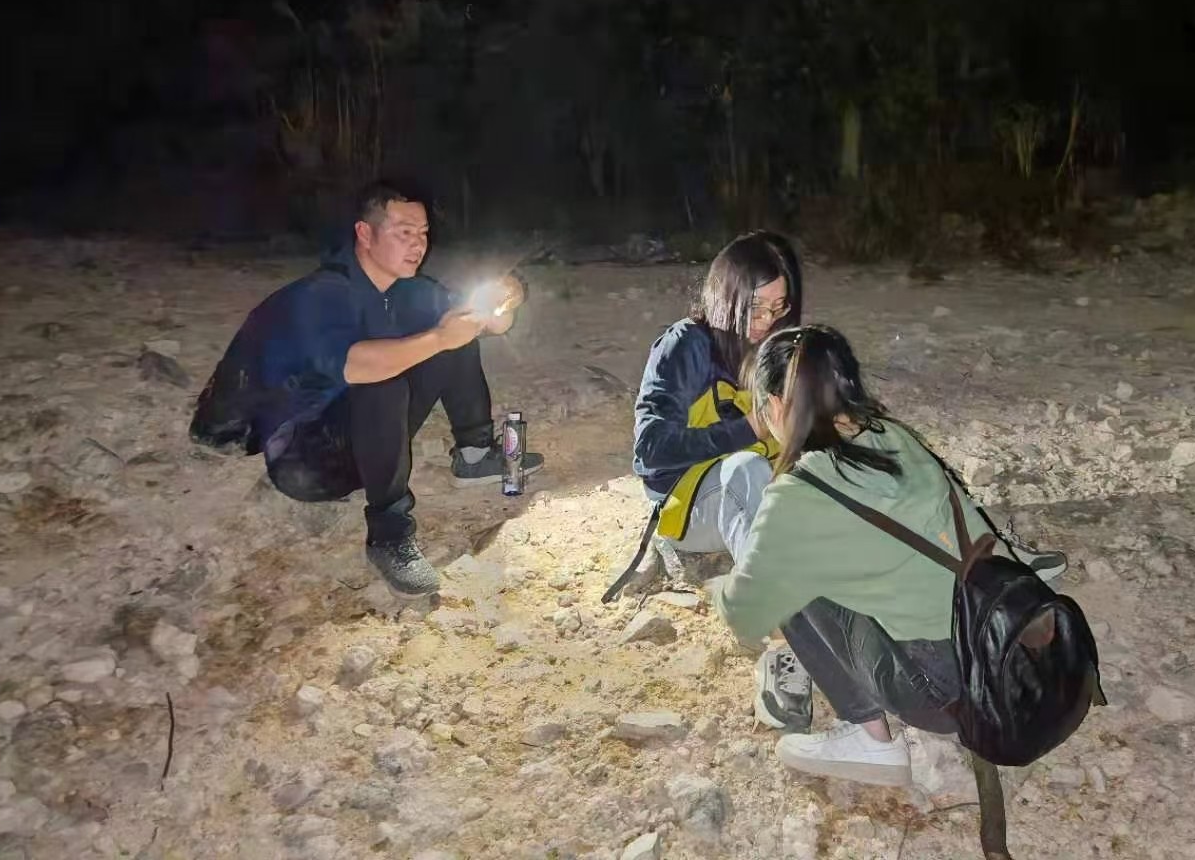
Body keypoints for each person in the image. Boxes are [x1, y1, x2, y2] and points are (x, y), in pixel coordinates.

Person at [711, 324, 1046, 786]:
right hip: (1010, 645)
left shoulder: (799, 494)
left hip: (946, 693)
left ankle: (871, 739)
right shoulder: (892, 435)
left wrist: (723, 585)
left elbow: (744, 614)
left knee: (790, 577)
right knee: (816, 561)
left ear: (775, 405)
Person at [189, 179, 543, 595]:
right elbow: (356, 365)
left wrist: (507, 298)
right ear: (365, 233)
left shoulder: (413, 290)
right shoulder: (322, 294)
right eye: (403, 232)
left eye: (423, 233)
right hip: (306, 461)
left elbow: (491, 325)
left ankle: (475, 453)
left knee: (455, 332)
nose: (418, 244)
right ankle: (390, 535)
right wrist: (438, 338)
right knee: (387, 374)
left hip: (368, 440)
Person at [614, 230, 814, 726]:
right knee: (746, 468)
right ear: (726, 299)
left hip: (763, 491)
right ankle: (782, 643)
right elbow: (650, 452)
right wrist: (749, 429)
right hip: (687, 502)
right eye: (755, 309)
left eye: (779, 308)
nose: (767, 322)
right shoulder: (686, 345)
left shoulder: (778, 347)